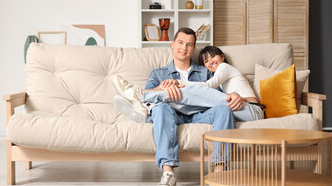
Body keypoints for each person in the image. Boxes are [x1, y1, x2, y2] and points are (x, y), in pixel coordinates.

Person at [113, 28, 242, 186]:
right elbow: (150, 96)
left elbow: (216, 96)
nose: (184, 48)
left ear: (194, 49)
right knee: (160, 107)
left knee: (224, 109)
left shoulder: (206, 72)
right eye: (180, 43)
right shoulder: (159, 73)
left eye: (189, 45)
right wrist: (161, 88)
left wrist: (235, 95)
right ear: (173, 45)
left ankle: (220, 172)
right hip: (172, 114)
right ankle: (168, 173)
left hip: (199, 114)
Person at [112, 45, 265, 123]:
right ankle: (146, 107)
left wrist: (178, 82)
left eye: (213, 57)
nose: (210, 62)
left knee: (186, 90)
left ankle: (141, 95)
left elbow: (207, 87)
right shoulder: (222, 75)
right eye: (206, 61)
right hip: (239, 110)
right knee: (181, 97)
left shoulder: (224, 68)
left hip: (253, 111)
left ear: (222, 56)